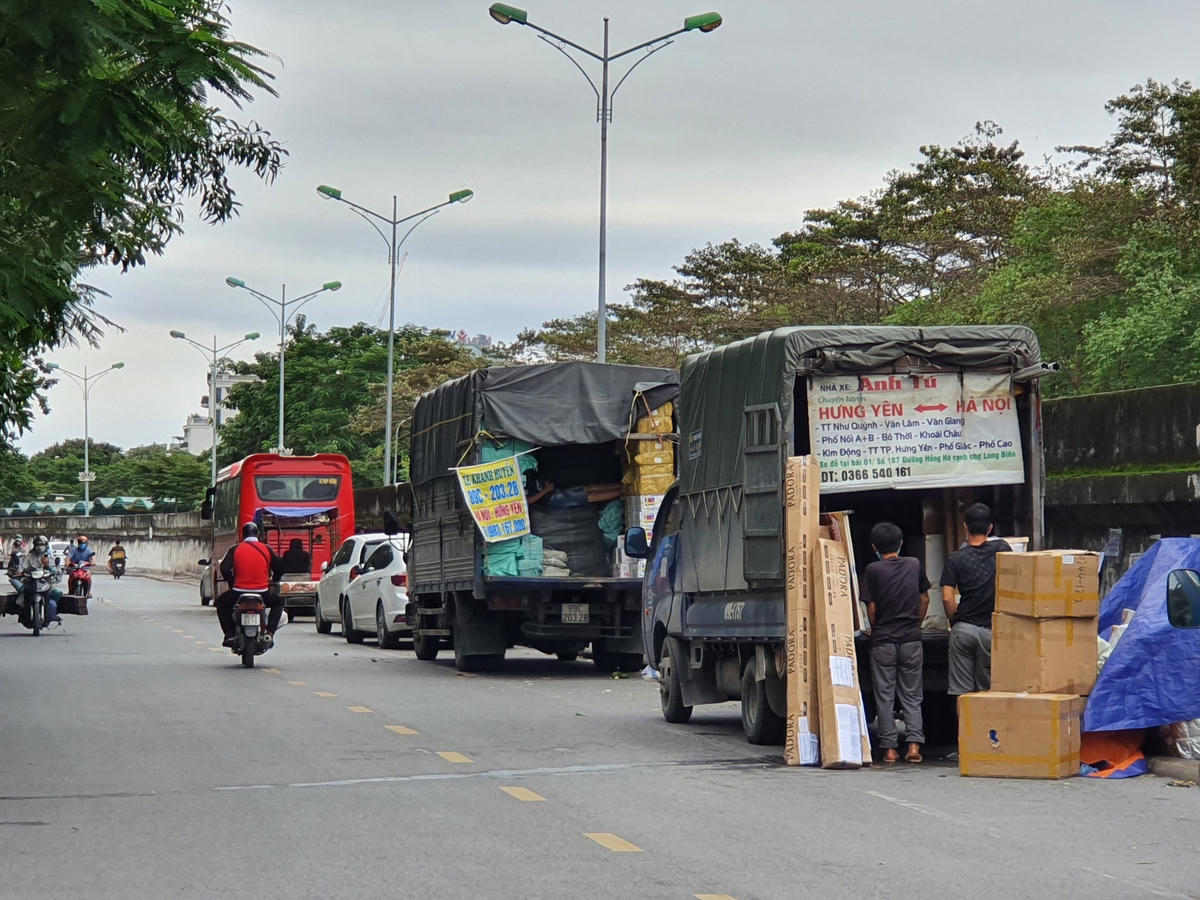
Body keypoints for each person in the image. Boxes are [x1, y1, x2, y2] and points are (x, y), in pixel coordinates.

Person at [861, 521, 929, 764]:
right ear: (901, 543)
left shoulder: (873, 570)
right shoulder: (914, 564)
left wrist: (877, 628)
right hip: (911, 639)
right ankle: (913, 746)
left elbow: (872, 607)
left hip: (883, 642)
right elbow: (924, 598)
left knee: (885, 695)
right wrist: (916, 624)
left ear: (874, 547)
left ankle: (889, 749)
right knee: (912, 695)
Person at [940, 502, 1012, 696]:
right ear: (990, 528)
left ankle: (963, 727)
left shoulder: (955, 559)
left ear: (965, 526)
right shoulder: (1002, 550)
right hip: (992, 630)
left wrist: (954, 621)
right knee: (989, 692)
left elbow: (947, 598)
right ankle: (986, 726)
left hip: (963, 630)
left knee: (962, 694)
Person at [216, 522, 285, 648]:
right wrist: (274, 580)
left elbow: (224, 568)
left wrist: (232, 582)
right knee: (278, 602)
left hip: (238, 592)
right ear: (258, 534)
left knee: (221, 603)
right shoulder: (267, 549)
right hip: (262, 592)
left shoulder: (235, 549)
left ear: (243, 535)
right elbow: (280, 568)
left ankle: (229, 634)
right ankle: (269, 633)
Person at [12, 535, 63, 627]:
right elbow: (21, 567)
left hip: (45, 582)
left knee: (56, 594)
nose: (40, 546)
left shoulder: (49, 557)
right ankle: (24, 615)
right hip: (30, 582)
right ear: (35, 545)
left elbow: (56, 570)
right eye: (38, 544)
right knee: (22, 597)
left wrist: (48, 566)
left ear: (46, 545)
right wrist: (19, 572)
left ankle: (52, 614)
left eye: (42, 544)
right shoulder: (29, 556)